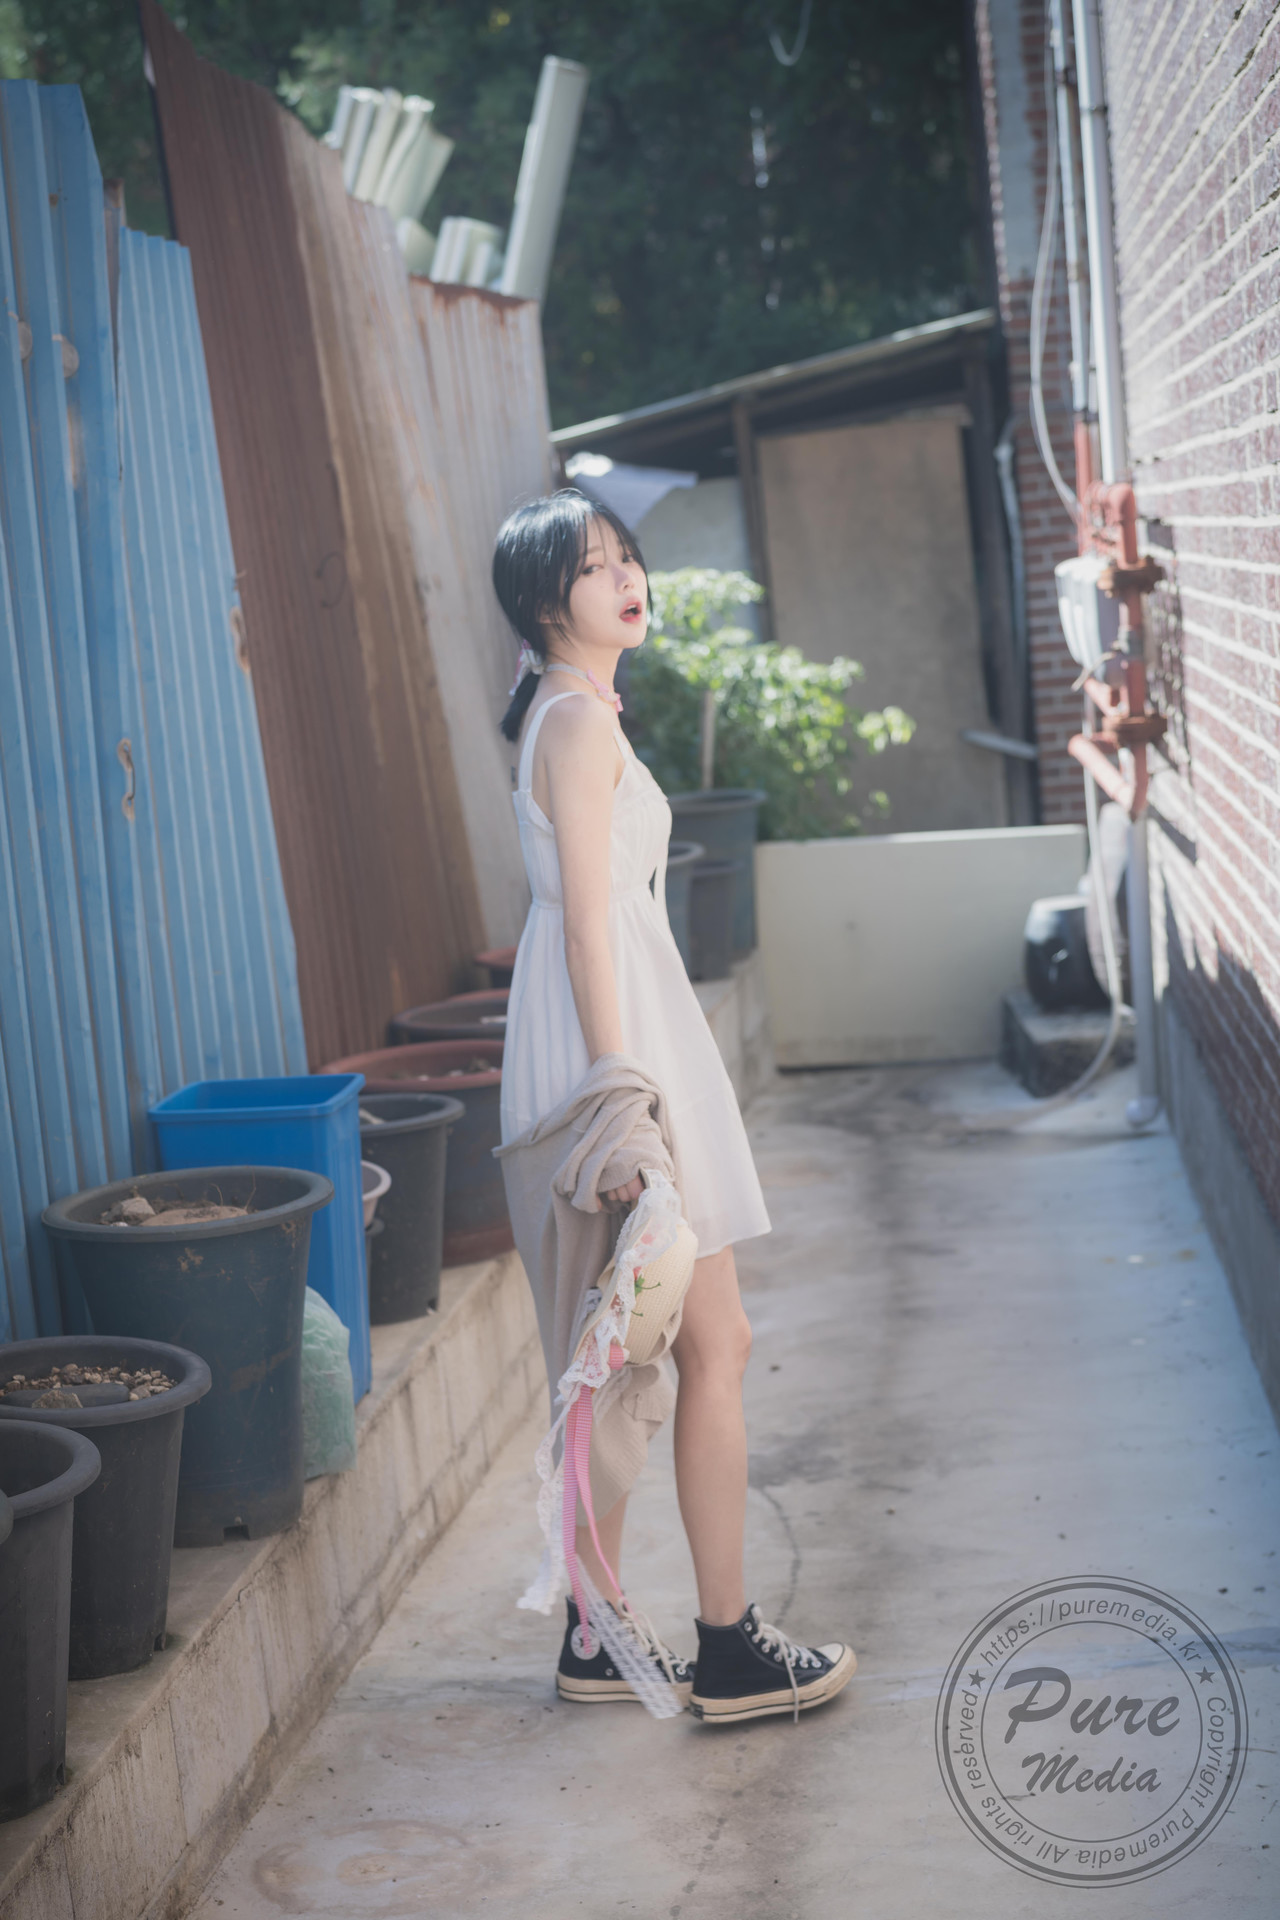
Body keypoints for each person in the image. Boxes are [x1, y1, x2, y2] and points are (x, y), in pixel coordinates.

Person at [494, 488, 855, 1725]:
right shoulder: (571, 721)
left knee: (657, 1346)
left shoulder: (576, 712)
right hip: (616, 1050)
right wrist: (621, 1103)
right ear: (542, 600)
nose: (626, 578)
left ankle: (606, 1632)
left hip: (622, 1039)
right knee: (677, 1343)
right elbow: (587, 928)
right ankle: (719, 1644)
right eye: (594, 565)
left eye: (627, 557)